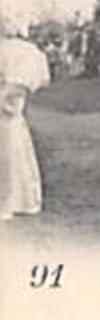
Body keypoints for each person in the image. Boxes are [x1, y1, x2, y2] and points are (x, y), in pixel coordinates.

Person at [0, 30, 51, 219]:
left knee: (8, 154)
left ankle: (9, 201)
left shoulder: (19, 52)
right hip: (9, 108)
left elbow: (16, 85)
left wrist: (5, 97)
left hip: (7, 110)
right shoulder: (15, 50)